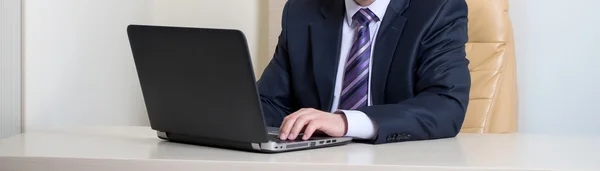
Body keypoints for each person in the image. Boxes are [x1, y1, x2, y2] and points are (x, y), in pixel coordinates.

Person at [258, 0, 471, 144]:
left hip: (396, 159)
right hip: (315, 159)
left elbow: (446, 106)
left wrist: (346, 122)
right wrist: (233, 115)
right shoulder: (302, 9)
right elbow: (272, 102)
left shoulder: (438, 8)